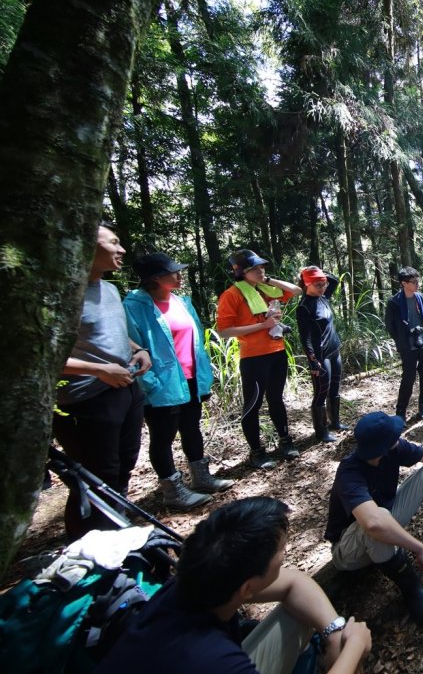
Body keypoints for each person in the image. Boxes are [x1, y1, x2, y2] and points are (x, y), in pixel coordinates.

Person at [95, 497, 372, 674]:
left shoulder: (195, 582)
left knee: (301, 613)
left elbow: (294, 582)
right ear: (248, 588)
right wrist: (353, 647)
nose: (284, 556)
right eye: (281, 552)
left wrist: (334, 630)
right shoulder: (211, 660)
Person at [324, 412, 423, 628]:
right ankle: (412, 590)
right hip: (348, 550)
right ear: (380, 448)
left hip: (383, 518)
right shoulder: (349, 473)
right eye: (394, 437)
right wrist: (419, 548)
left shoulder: (393, 450)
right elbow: (373, 523)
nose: (399, 439)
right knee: (375, 523)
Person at [52, 221, 151, 539]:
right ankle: (88, 550)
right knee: (95, 477)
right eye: (113, 242)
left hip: (125, 389)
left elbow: (114, 335)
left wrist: (139, 350)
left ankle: (114, 533)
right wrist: (98, 370)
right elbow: (42, 358)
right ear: (85, 246)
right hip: (86, 400)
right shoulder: (62, 295)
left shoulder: (109, 288)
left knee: (123, 467)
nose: (121, 250)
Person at [124, 252, 233, 511]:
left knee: (191, 427)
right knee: (163, 436)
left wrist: (205, 376)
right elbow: (130, 345)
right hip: (162, 383)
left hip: (191, 378)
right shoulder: (134, 306)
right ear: (155, 278)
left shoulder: (182, 301)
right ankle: (172, 491)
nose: (179, 274)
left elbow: (196, 342)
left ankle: (201, 478)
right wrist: (149, 383)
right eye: (173, 271)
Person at [216, 250, 303, 469]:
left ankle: (285, 440)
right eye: (254, 268)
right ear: (241, 272)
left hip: (277, 351)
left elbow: (296, 290)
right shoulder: (232, 294)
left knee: (276, 399)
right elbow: (224, 331)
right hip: (253, 357)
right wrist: (261, 326)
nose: (260, 270)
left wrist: (267, 279)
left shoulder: (266, 289)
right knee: (253, 404)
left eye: (261, 266)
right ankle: (256, 451)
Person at [296, 265, 347, 443]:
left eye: (323, 284)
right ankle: (321, 431)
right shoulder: (304, 306)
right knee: (321, 392)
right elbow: (306, 338)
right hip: (320, 355)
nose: (323, 287)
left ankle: (336, 422)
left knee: (335, 387)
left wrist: (315, 271)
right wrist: (313, 361)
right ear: (307, 284)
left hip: (334, 351)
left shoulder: (323, 297)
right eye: (317, 285)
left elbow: (333, 280)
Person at [384, 267, 423, 421]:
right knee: (408, 379)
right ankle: (400, 413)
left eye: (417, 280)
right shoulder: (394, 303)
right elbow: (390, 326)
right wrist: (400, 342)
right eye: (413, 281)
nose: (417, 284)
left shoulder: (421, 298)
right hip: (408, 346)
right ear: (404, 283)